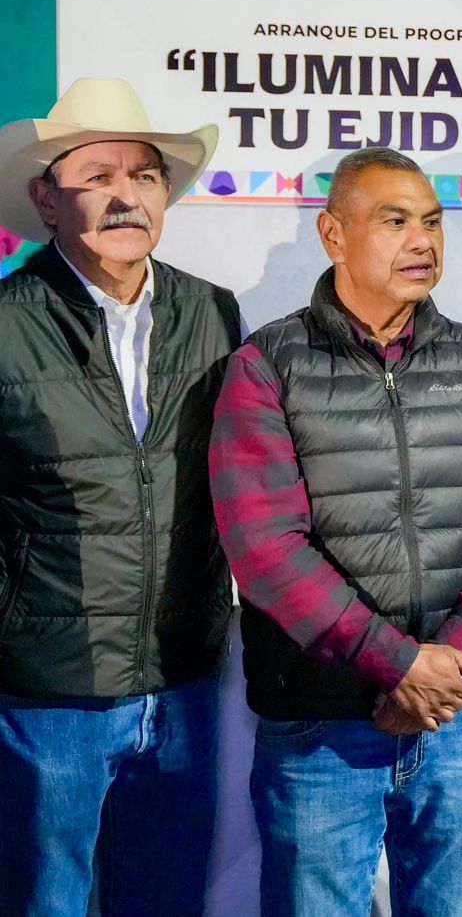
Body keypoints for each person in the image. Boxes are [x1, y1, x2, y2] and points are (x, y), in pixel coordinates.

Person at [208, 147, 462, 916]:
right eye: (394, 221)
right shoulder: (266, 365)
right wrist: (394, 666)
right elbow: (266, 554)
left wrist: (445, 664)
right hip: (323, 726)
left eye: (431, 221)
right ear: (333, 234)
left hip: (461, 719)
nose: (422, 241)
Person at [0, 79, 241, 917]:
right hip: (48, 696)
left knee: (166, 900)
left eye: (142, 176)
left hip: (183, 681)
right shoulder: (5, 321)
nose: (124, 195)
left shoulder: (212, 311)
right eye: (96, 176)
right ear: (47, 199)